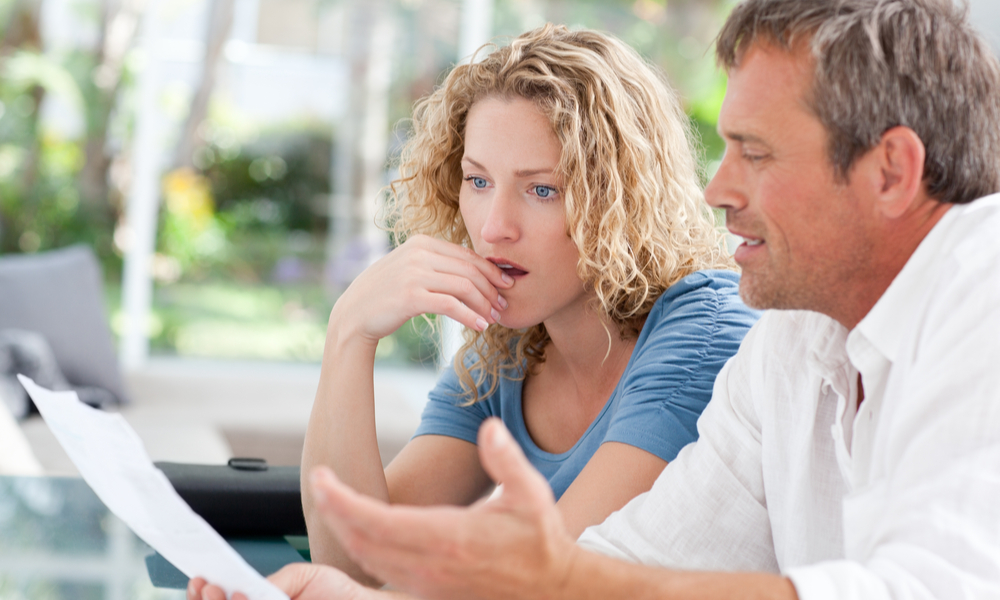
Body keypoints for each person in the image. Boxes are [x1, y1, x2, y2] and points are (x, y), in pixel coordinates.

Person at [190, 0, 1000, 598]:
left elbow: (931, 589)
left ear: (891, 171)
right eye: (478, 182)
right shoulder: (792, 340)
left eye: (753, 153)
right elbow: (632, 560)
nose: (716, 190)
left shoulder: (982, 286)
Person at [297, 23, 758, 583]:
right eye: (477, 180)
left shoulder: (702, 330)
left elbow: (549, 582)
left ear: (619, 200)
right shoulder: (506, 351)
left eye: (542, 190)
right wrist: (349, 331)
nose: (493, 229)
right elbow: (355, 561)